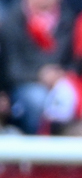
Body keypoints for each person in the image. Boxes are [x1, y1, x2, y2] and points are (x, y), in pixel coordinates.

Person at [0, 0, 75, 134]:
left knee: (68, 93)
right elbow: (10, 69)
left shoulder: (68, 18)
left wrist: (61, 74)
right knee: (37, 98)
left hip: (61, 79)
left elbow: (75, 59)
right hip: (23, 83)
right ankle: (37, 147)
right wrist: (39, 75)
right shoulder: (13, 21)